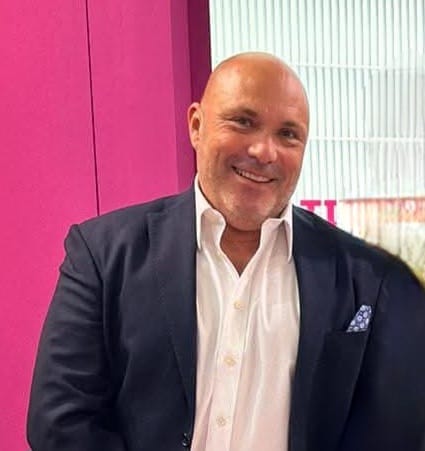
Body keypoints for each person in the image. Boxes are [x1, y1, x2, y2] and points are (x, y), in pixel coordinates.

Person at [27, 52, 425, 451]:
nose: (264, 151)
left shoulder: (366, 277)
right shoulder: (103, 254)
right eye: (243, 122)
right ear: (196, 125)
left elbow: (390, 431)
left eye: (288, 134)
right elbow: (61, 423)